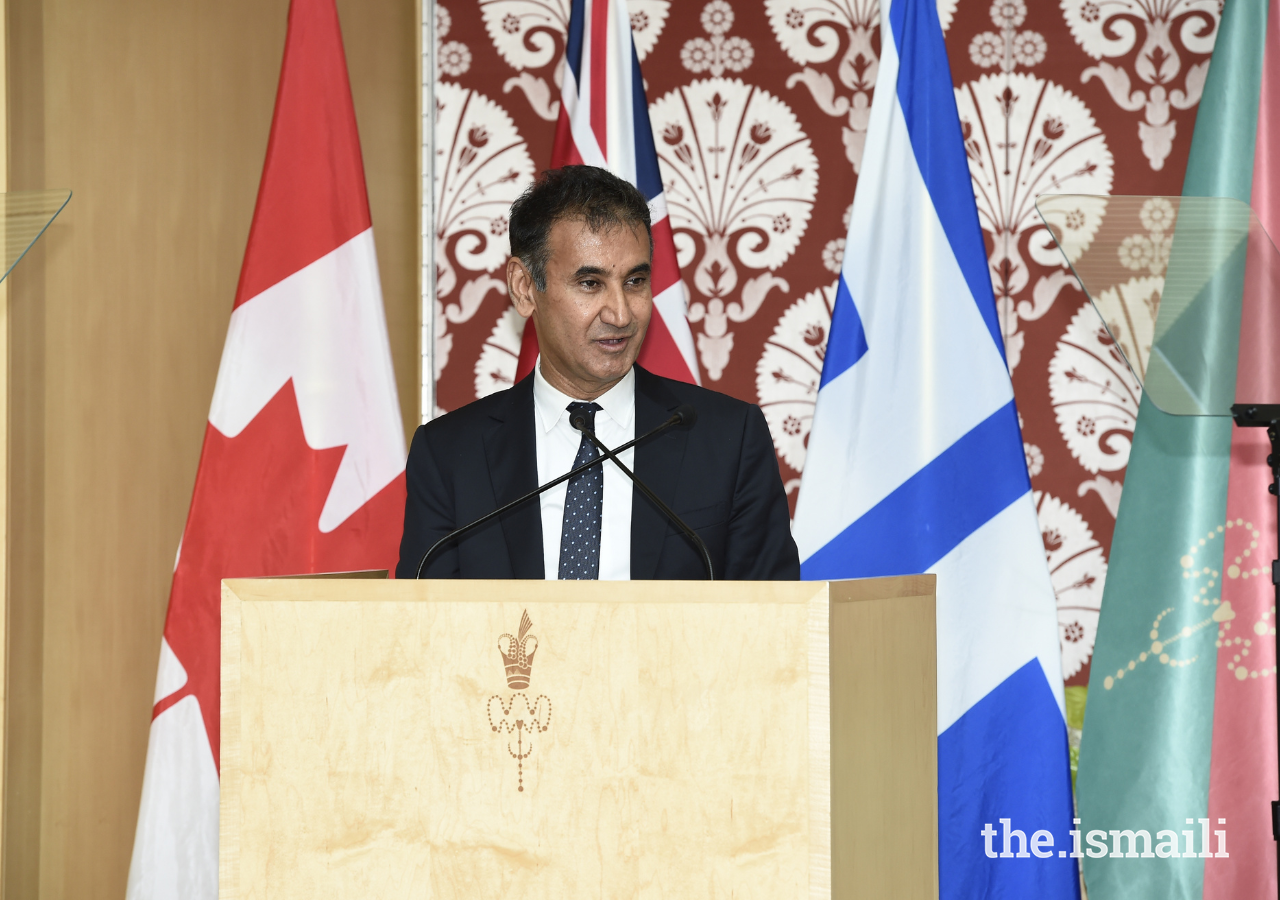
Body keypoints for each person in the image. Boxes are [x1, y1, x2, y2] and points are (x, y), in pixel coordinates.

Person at [396, 165, 799, 580]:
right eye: (590, 283)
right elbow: (424, 632)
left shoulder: (728, 441)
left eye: (635, 281)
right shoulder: (449, 456)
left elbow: (775, 623)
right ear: (523, 287)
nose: (621, 313)